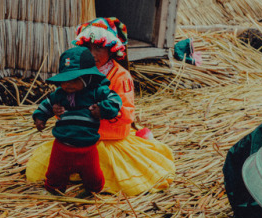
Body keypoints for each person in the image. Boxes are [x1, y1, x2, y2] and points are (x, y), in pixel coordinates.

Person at [27, 17, 175, 196]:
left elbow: (126, 113)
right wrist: (58, 112)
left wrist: (102, 112)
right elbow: (63, 103)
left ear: (111, 49)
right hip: (75, 139)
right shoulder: (73, 75)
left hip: (108, 141)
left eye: (98, 47)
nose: (92, 54)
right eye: (87, 48)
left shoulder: (120, 77)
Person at [32, 46, 122, 195]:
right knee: (55, 173)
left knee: (93, 177)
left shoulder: (96, 92)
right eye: (65, 80)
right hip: (61, 147)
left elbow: (116, 100)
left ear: (87, 78)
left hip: (87, 148)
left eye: (74, 80)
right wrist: (39, 117)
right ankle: (55, 190)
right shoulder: (59, 94)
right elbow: (46, 104)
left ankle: (93, 192)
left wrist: (103, 109)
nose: (68, 84)